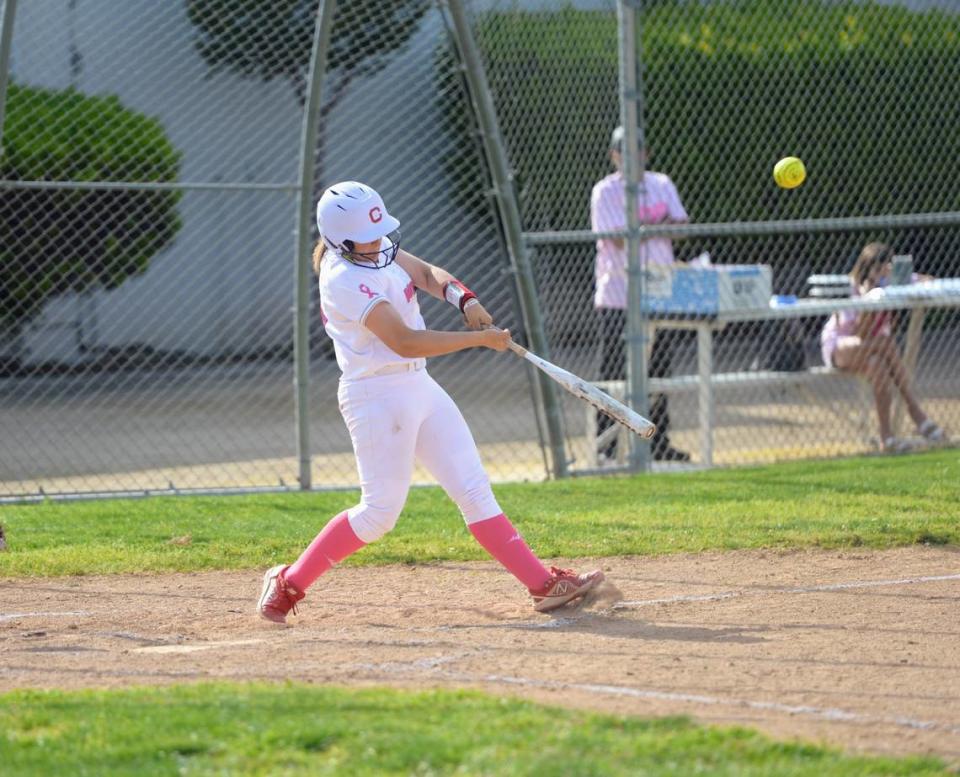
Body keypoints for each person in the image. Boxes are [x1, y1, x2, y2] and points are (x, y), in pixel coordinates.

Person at [257, 181, 604, 623]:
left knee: (474, 490)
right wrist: (477, 339)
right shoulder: (343, 278)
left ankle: (543, 585)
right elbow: (404, 341)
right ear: (339, 239)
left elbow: (425, 275)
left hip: (419, 386)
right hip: (376, 396)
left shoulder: (375, 248)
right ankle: (288, 582)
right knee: (379, 514)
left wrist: (466, 300)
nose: (378, 242)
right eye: (366, 234)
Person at [590, 126, 690, 463]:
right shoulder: (605, 191)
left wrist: (640, 231)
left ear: (646, 154)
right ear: (614, 155)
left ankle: (658, 444)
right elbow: (617, 239)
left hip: (659, 295)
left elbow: (681, 226)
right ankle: (606, 445)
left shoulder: (661, 183)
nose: (630, 157)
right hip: (618, 295)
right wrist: (654, 226)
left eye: (637, 151)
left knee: (659, 372)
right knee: (615, 373)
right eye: (623, 151)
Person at [820, 241, 945, 453]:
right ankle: (915, 410)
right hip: (840, 347)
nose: (882, 275)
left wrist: (911, 279)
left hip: (871, 351)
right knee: (885, 343)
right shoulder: (855, 288)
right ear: (867, 269)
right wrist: (869, 301)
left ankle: (886, 438)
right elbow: (860, 333)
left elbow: (928, 281)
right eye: (878, 270)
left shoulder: (890, 284)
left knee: (878, 366)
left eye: (886, 269)